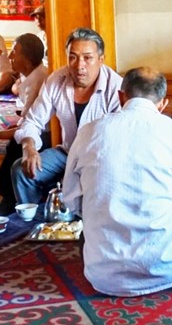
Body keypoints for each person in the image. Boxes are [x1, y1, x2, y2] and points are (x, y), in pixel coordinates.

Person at [62, 67, 172, 305]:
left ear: (121, 96)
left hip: (104, 275)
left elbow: (71, 200)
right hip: (170, 266)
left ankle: (116, 260)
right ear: (163, 104)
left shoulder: (88, 132)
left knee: (87, 235)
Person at [12, 27, 123, 208]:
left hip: (100, 159)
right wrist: (29, 148)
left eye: (87, 58)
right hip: (67, 153)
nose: (79, 65)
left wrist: (81, 170)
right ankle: (34, 221)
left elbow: (119, 141)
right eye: (73, 57)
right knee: (22, 170)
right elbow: (32, 120)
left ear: (101, 60)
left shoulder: (115, 87)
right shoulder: (57, 80)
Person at [0, 33, 50, 215]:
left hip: (46, 135)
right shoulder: (29, 76)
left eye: (14, 52)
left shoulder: (39, 79)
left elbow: (29, 125)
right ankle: (7, 201)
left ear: (27, 58)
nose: (9, 56)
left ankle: (9, 202)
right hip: (33, 128)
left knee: (15, 145)